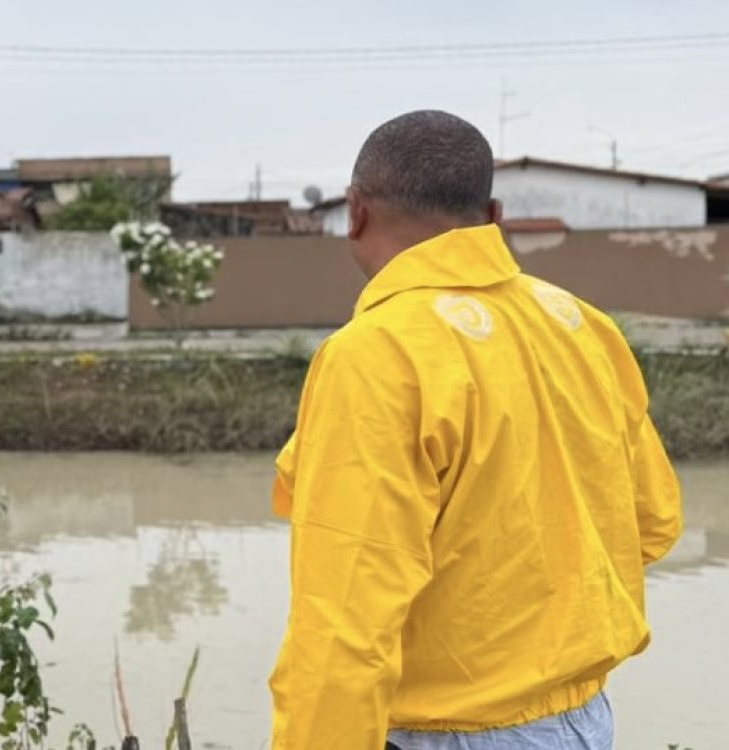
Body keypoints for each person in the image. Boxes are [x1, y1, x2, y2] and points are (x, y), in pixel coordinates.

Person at [268, 110, 682, 750]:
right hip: (584, 724)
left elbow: (344, 623)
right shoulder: (580, 324)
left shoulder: (377, 355)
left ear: (354, 212)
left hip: (449, 736)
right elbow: (650, 523)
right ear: (493, 215)